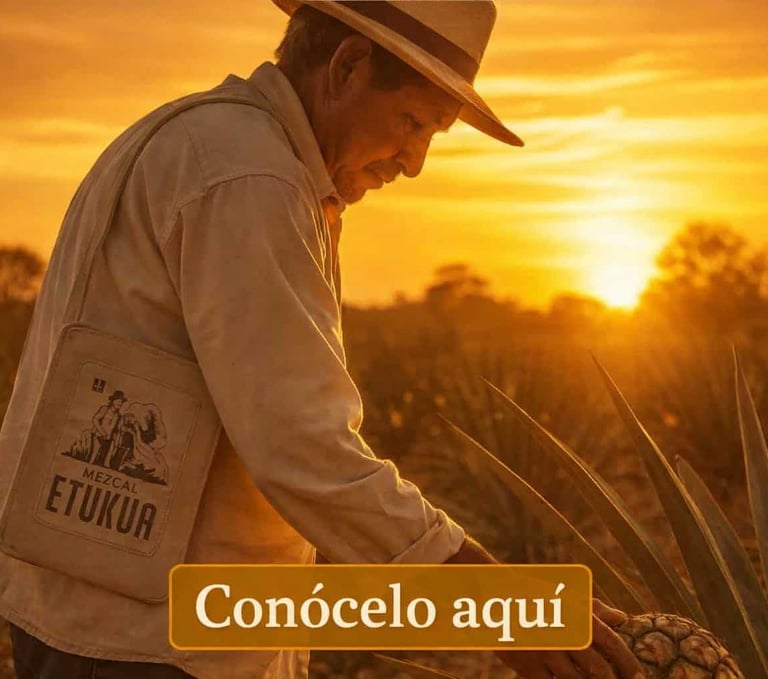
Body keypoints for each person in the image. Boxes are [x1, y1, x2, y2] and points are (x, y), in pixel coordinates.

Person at [0, 2, 644, 678]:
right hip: (146, 645)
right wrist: (496, 604)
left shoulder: (195, 139)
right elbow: (302, 445)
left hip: (97, 616)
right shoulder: (251, 176)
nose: (416, 160)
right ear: (348, 66)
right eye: (413, 121)